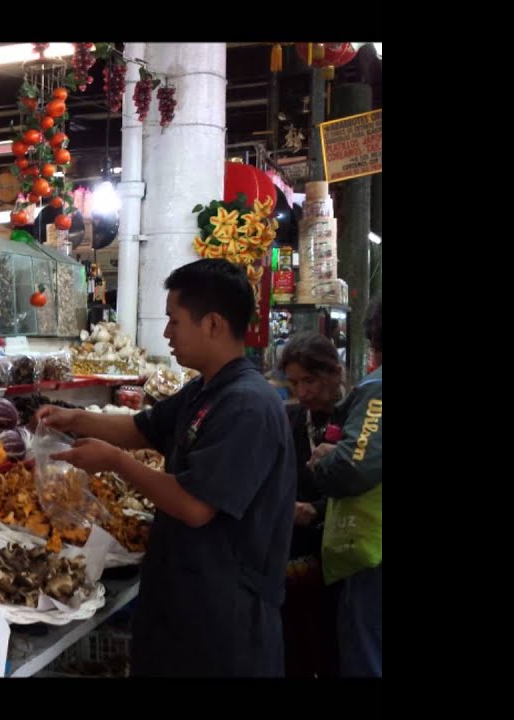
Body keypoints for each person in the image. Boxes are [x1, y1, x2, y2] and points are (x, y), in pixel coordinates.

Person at [37, 258, 297, 677]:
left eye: (174, 321)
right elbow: (142, 427)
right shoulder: (206, 389)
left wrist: (113, 462)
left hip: (224, 620)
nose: (166, 334)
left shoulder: (247, 405)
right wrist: (72, 419)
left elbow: (196, 506)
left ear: (212, 324)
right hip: (184, 603)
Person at [310, 294, 382, 677]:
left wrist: (324, 460)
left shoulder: (378, 388)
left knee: (365, 656)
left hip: (372, 552)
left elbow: (354, 468)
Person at [278, 332, 346, 677]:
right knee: (295, 648)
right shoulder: (288, 420)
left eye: (310, 380)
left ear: (336, 373)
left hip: (345, 556)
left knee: (336, 648)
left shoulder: (358, 421)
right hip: (297, 560)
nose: (303, 392)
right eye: (294, 383)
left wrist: (316, 509)